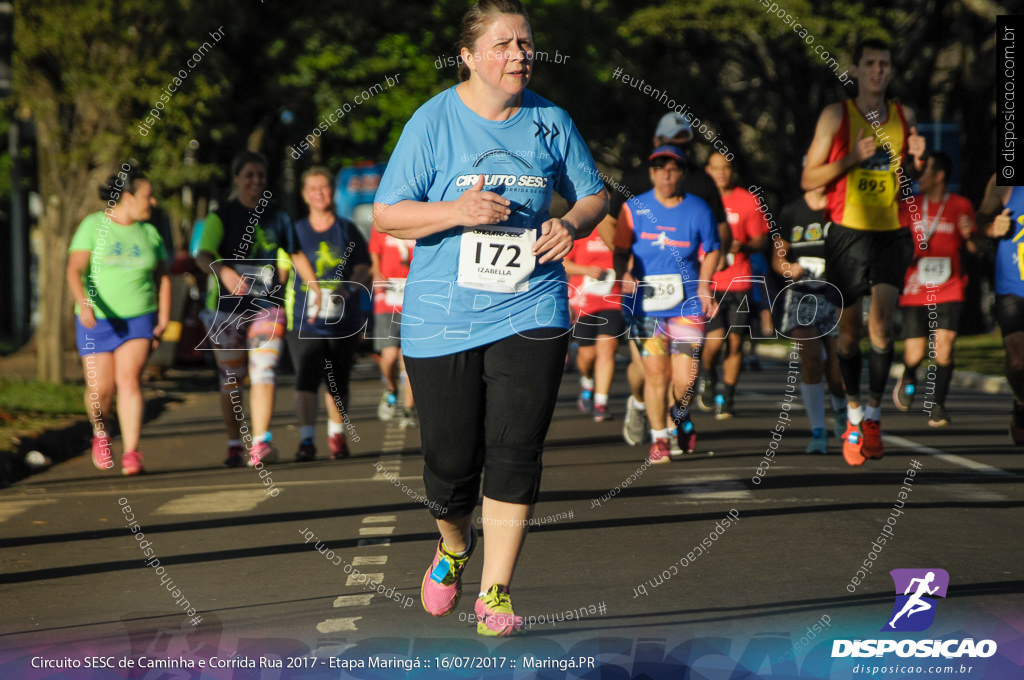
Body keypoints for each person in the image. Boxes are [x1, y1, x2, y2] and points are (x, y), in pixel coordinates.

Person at [372, 0, 607, 637]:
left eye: (525, 44)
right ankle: (453, 546)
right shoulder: (432, 122)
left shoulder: (551, 120)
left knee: (515, 449)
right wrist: (456, 211)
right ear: (470, 56)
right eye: (503, 44)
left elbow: (593, 193)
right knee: (450, 465)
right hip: (442, 313)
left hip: (532, 305)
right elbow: (387, 213)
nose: (518, 56)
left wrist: (570, 223)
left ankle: (496, 590)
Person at [801, 38, 926, 466]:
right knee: (850, 334)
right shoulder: (838, 115)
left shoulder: (903, 116)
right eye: (870, 64)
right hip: (847, 232)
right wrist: (851, 157)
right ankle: (852, 410)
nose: (878, 71)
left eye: (885, 64)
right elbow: (808, 178)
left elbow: (911, 180)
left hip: (891, 231)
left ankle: (873, 415)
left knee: (882, 327)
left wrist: (919, 162)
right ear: (854, 70)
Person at [196, 151, 320, 468]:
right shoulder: (221, 215)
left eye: (261, 176)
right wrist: (222, 271)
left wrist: (314, 287)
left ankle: (261, 441)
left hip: (267, 306)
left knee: (264, 371)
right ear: (237, 179)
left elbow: (295, 254)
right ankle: (235, 443)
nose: (255, 181)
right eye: (249, 175)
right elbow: (203, 254)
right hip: (225, 310)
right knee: (231, 380)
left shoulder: (278, 216)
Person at [620, 113, 732, 446]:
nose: (666, 173)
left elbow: (715, 244)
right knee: (655, 372)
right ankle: (655, 431)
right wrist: (624, 271)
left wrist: (705, 283)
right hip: (647, 304)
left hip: (686, 303)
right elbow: (617, 239)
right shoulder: (634, 200)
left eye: (674, 166)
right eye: (660, 167)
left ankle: (676, 417)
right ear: (652, 169)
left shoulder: (699, 204)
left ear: (683, 171)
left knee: (684, 377)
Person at [67, 168, 170, 475]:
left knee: (129, 379)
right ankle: (101, 433)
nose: (151, 201)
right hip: (96, 320)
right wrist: (84, 302)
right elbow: (75, 269)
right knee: (101, 390)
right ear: (127, 197)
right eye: (146, 195)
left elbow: (162, 276)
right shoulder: (93, 225)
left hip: (139, 317)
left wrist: (163, 317)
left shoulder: (149, 232)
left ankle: (132, 451)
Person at [284, 167, 371, 461]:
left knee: (338, 380)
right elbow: (288, 263)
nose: (319, 193)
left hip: (341, 318)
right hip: (304, 317)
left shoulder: (346, 229)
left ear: (332, 191)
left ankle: (336, 435)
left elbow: (364, 266)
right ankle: (306, 440)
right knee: (306, 378)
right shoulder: (295, 230)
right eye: (313, 189)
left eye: (324, 187)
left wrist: (348, 290)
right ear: (305, 195)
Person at [893, 151, 977, 426]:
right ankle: (908, 376)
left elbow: (975, 249)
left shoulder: (961, 205)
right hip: (916, 286)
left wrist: (970, 237)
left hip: (950, 285)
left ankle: (937, 405)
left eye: (925, 171)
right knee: (915, 353)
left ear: (939, 175)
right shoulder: (910, 205)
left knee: (944, 347)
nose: (919, 178)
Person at [772, 185, 846, 453]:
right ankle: (818, 431)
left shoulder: (841, 206)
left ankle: (840, 409)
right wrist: (787, 267)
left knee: (838, 372)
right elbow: (777, 257)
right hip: (802, 296)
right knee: (812, 360)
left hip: (836, 294)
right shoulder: (792, 211)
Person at [698, 152, 770, 419]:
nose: (721, 173)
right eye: (716, 168)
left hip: (739, 280)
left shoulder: (747, 200)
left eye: (726, 168)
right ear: (708, 170)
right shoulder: (698, 201)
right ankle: (708, 374)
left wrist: (745, 246)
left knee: (736, 343)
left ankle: (727, 395)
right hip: (710, 282)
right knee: (715, 340)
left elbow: (762, 240)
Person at [977, 173, 1024, 445]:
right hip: (1013, 288)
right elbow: (981, 219)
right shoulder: (1003, 181)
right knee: (1017, 360)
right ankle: (1021, 401)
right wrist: (993, 226)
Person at [565, 224, 624, 422]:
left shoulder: (620, 231)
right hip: (585, 301)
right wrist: (586, 270)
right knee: (587, 356)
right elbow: (563, 262)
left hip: (614, 300)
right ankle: (588, 381)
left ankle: (601, 402)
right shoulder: (583, 230)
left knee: (608, 348)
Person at [368, 223, 417, 426]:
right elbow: (374, 251)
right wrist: (377, 272)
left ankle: (408, 409)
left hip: (412, 293)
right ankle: (390, 389)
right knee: (388, 357)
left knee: (408, 359)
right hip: (387, 294)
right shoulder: (385, 220)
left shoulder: (418, 221)